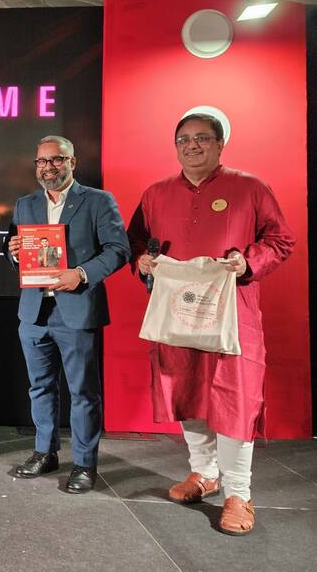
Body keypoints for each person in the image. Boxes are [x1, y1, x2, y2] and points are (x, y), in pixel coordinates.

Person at [128, 113, 294, 535]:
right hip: (176, 312)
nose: (192, 145)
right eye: (183, 139)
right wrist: (141, 261)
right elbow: (135, 241)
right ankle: (204, 473)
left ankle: (239, 492)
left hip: (232, 315)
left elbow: (280, 240)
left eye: (202, 138)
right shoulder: (156, 193)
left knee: (234, 400)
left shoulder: (249, 188)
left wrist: (247, 262)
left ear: (220, 145)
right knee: (186, 392)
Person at [5, 135, 129, 493]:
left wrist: (83, 273)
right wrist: (13, 251)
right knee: (40, 387)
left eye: (56, 160)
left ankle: (86, 463)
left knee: (83, 392)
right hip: (34, 311)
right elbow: (16, 250)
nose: (48, 167)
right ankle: (45, 451)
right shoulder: (25, 204)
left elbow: (118, 250)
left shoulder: (98, 201)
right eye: (42, 161)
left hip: (76, 310)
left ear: (72, 162)